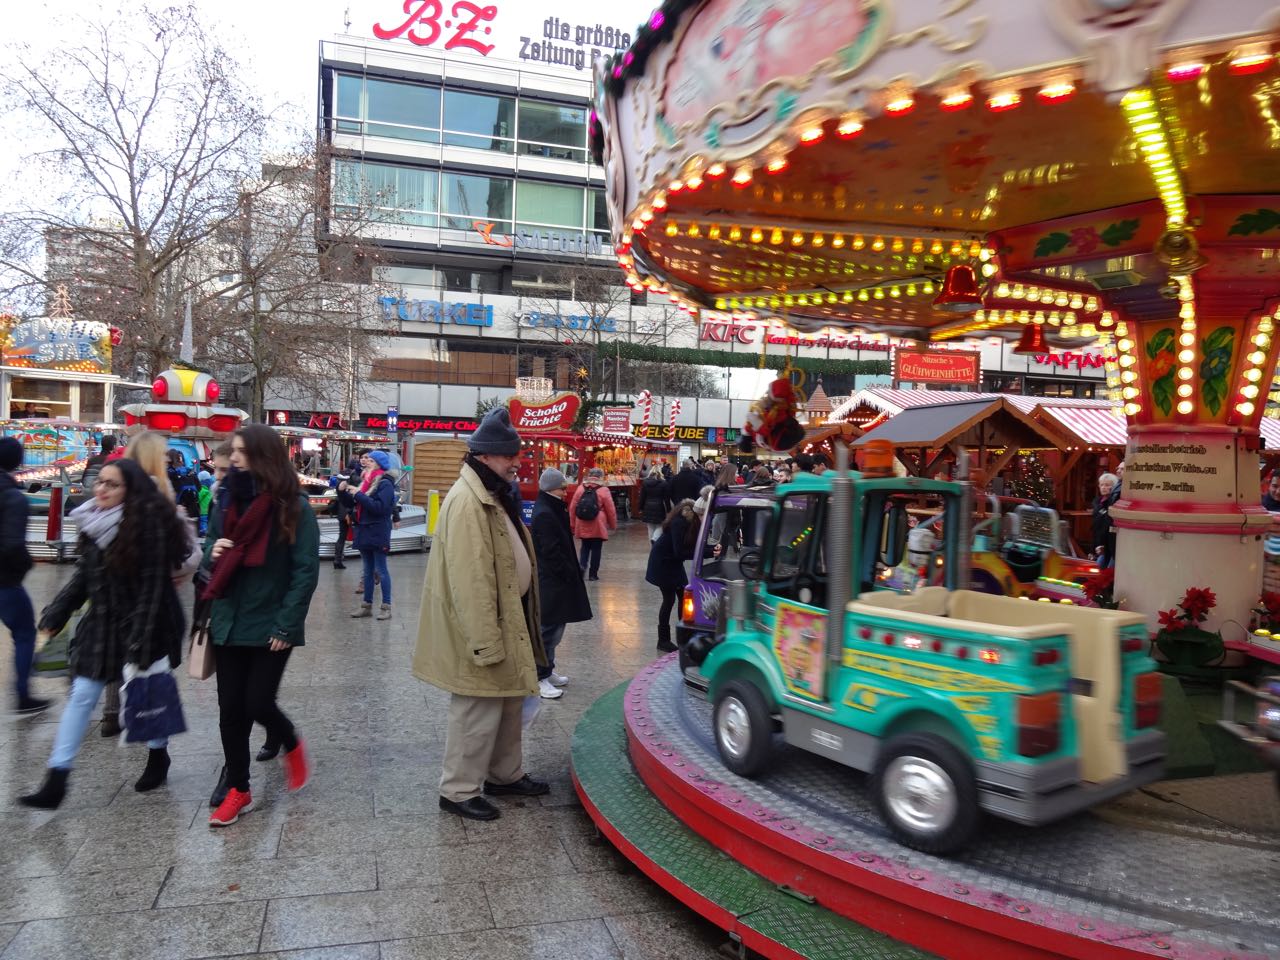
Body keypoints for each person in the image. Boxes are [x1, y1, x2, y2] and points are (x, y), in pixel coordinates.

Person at [19, 459, 193, 808]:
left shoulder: (148, 527)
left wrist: (141, 639)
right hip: (102, 622)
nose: (101, 489)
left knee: (146, 697)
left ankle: (158, 754)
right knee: (82, 695)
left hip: (146, 622)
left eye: (112, 485)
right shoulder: (93, 522)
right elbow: (84, 577)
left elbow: (151, 590)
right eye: (100, 482)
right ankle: (57, 779)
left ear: (131, 491)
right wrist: (58, 611)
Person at [412, 407, 549, 822]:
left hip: (506, 617)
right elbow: (471, 580)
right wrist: (485, 640)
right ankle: (458, 790)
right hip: (482, 628)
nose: (517, 462)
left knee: (507, 702)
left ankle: (504, 774)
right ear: (487, 456)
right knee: (477, 708)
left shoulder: (489, 492)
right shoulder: (469, 501)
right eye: (510, 455)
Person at [204, 425, 319, 827]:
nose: (232, 459)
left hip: (271, 623)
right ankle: (239, 788)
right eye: (232, 452)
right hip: (228, 621)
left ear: (263, 456)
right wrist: (212, 551)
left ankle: (290, 739)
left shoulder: (294, 508)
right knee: (230, 711)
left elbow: (305, 571)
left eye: (241, 452)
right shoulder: (226, 501)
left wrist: (286, 626)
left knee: (258, 703)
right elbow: (209, 553)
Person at [530, 468, 592, 700]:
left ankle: (549, 670)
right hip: (552, 581)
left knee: (555, 629)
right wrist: (567, 573)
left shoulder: (553, 508)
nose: (566, 492)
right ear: (550, 489)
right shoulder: (546, 513)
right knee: (548, 631)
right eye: (562, 488)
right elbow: (550, 552)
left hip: (557, 580)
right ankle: (539, 677)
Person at [0, 438, 48, 716]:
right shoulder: (14, 497)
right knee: (25, 633)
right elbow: (12, 544)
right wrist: (25, 564)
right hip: (6, 580)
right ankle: (23, 694)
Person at [342, 450, 395, 620]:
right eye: (366, 459)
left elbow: (380, 508)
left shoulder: (385, 483)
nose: (366, 462)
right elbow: (355, 503)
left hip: (378, 530)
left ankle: (386, 607)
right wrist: (343, 491)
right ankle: (367, 605)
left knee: (381, 569)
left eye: (371, 460)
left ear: (379, 464)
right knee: (367, 570)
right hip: (364, 529)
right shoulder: (366, 481)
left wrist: (357, 494)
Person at [646, 499, 700, 653]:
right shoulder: (679, 523)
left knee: (683, 596)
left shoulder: (686, 522)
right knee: (669, 600)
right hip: (664, 564)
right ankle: (663, 640)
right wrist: (705, 553)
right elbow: (680, 551)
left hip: (672, 563)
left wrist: (708, 549)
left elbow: (688, 546)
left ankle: (685, 635)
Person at [569, 466, 617, 581]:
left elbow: (572, 508)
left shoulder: (581, 488)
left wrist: (572, 524)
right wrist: (613, 525)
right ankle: (593, 574)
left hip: (582, 521)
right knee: (596, 549)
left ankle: (582, 566)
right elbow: (611, 510)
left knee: (584, 547)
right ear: (600, 477)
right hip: (598, 523)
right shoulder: (603, 490)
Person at [332, 455, 361, 569]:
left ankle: (337, 559)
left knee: (342, 536)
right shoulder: (355, 477)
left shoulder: (340, 476)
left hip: (341, 510)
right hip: (350, 510)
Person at [1092, 472, 1120, 568]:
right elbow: (1096, 527)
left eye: (1107, 485)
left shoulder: (1114, 503)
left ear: (1114, 487)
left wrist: (1103, 545)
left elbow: (1108, 525)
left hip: (1111, 545)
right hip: (1099, 544)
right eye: (1101, 485)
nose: (1103, 487)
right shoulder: (1097, 502)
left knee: (1107, 572)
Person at [639, 465, 671, 542]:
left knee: (650, 527)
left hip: (647, 506)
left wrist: (640, 508)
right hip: (659, 507)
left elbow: (642, 497)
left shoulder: (645, 483)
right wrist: (669, 510)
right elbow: (666, 499)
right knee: (660, 526)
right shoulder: (664, 483)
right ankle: (655, 538)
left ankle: (652, 546)